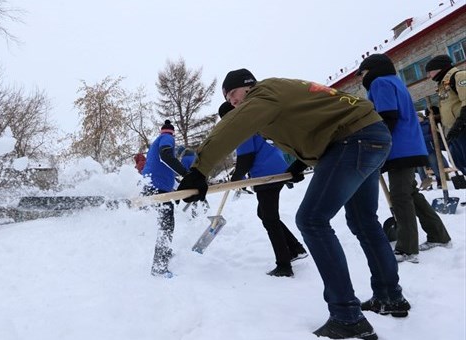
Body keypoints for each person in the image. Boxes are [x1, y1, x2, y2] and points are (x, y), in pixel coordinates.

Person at [177, 68, 409, 339]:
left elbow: (232, 127)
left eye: (232, 94)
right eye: (228, 99)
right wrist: (301, 161)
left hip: (352, 140)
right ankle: (390, 296)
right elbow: (313, 123)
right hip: (370, 134)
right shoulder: (279, 94)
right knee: (362, 221)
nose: (232, 102)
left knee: (312, 220)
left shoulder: (263, 94)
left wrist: (199, 169)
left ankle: (347, 315)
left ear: (246, 86)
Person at [356, 54, 452, 264]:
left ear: (370, 69)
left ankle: (407, 249)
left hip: (399, 147)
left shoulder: (380, 83)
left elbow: (388, 116)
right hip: (410, 144)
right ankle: (438, 235)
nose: (360, 78)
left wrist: (378, 145)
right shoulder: (394, 81)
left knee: (400, 196)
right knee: (411, 193)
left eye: (361, 73)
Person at [218, 101, 307, 277]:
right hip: (275, 169)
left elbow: (246, 157)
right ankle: (295, 248)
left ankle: (284, 265)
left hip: (266, 175)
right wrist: (239, 176)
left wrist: (236, 178)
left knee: (270, 218)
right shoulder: (252, 121)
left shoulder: (240, 125)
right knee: (265, 215)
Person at [141, 120, 188, 277]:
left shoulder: (157, 141)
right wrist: (187, 174)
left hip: (153, 186)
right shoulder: (167, 138)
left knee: (165, 223)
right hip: (157, 188)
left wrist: (180, 186)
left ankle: (164, 255)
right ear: (172, 132)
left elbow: (164, 170)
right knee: (166, 226)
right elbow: (165, 156)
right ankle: (159, 267)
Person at [425, 54, 466, 175]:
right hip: (454, 131)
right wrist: (437, 112)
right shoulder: (443, 84)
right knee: (460, 162)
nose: (429, 76)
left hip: (462, 128)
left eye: (429, 72)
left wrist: (460, 124)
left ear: (439, 69)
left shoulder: (459, 76)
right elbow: (452, 105)